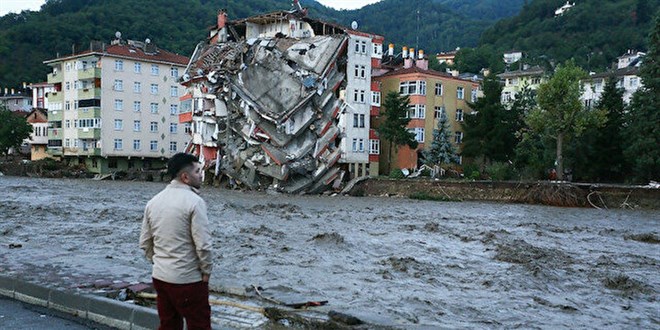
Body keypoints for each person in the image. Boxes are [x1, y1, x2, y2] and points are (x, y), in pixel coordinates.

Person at [140, 153, 213, 330]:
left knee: (169, 324)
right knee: (199, 325)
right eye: (197, 171)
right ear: (185, 177)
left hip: (160, 277)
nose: (201, 175)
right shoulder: (195, 202)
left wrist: (159, 262)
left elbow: (145, 242)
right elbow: (203, 245)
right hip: (188, 280)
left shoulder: (153, 202)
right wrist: (206, 271)